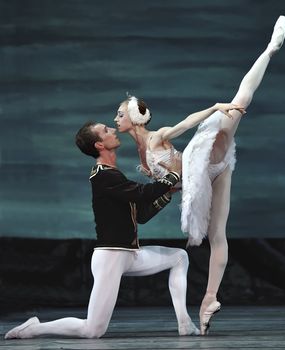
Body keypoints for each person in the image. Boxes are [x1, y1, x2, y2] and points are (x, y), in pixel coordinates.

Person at [113, 16, 285, 335]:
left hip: (199, 161)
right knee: (217, 235)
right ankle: (209, 300)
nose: (116, 118)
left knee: (237, 105)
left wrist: (213, 107)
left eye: (120, 114)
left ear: (134, 119)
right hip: (201, 181)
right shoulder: (141, 154)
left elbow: (185, 124)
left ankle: (270, 49)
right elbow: (166, 189)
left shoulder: (155, 137)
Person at [4, 121, 200, 339]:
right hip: (111, 257)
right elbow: (143, 193)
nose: (113, 130)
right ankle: (34, 328)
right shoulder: (103, 176)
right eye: (106, 130)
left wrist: (168, 192)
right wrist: (174, 174)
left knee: (179, 257)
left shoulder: (113, 176)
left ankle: (185, 323)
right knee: (93, 330)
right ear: (99, 145)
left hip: (128, 254)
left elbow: (141, 215)